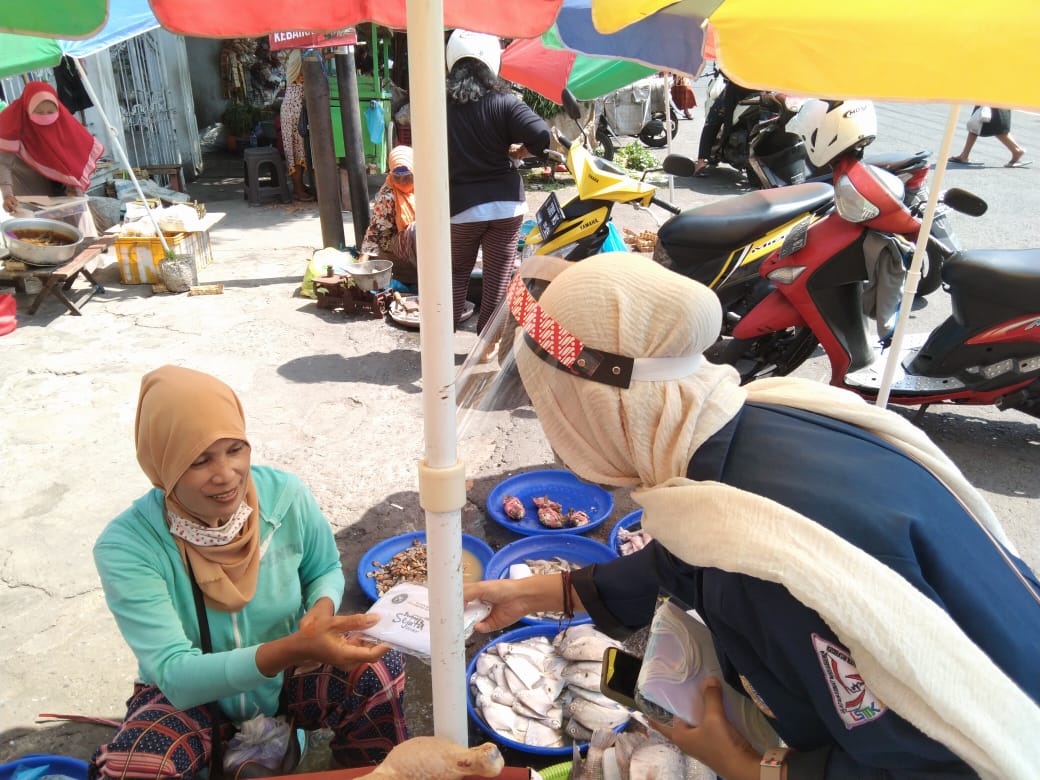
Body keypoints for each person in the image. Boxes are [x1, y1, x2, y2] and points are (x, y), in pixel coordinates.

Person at [463, 253, 1040, 779]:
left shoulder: (767, 566)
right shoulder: (756, 418)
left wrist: (744, 764)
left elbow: (928, 766)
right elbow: (696, 553)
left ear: (596, 406)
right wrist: (548, 592)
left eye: (552, 405)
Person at [91, 365, 407, 779]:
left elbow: (324, 568)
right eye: (199, 460)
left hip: (288, 678)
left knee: (378, 670)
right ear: (163, 462)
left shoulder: (286, 497)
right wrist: (298, 646)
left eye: (235, 449)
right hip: (195, 699)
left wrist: (321, 610)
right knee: (137, 767)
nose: (226, 475)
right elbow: (176, 675)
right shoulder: (129, 545)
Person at [445, 28, 551, 333]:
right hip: (507, 208)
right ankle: (485, 344)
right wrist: (523, 149)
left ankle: (444, 338)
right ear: (492, 60)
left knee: (456, 273)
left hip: (462, 208)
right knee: (497, 277)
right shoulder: (506, 102)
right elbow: (542, 135)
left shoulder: (439, 106)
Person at [0, 81, 102, 236]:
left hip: (63, 186)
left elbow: (73, 159)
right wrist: (7, 194)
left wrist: (72, 186)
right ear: (28, 109)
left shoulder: (65, 123)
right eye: (40, 113)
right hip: (28, 184)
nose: (46, 117)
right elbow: (4, 163)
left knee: (77, 226)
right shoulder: (11, 121)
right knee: (40, 232)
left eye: (50, 111)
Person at [359, 145, 418, 287]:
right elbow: (375, 229)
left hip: (413, 239)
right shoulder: (388, 196)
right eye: (397, 178)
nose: (403, 182)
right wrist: (363, 260)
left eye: (407, 177)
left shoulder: (422, 185)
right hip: (393, 242)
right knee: (417, 230)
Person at [693, 71, 758, 176]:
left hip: (738, 91)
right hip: (763, 91)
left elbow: (726, 70)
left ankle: (701, 162)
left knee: (712, 121)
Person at [280, 50, 315, 202]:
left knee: (299, 150)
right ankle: (298, 190)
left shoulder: (299, 56)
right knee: (296, 151)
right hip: (293, 111)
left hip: (294, 109)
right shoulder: (300, 58)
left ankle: (299, 186)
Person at [949, 107, 1031, 168]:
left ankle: (1016, 150)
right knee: (976, 122)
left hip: (993, 93)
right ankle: (964, 155)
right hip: (993, 93)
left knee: (996, 124)